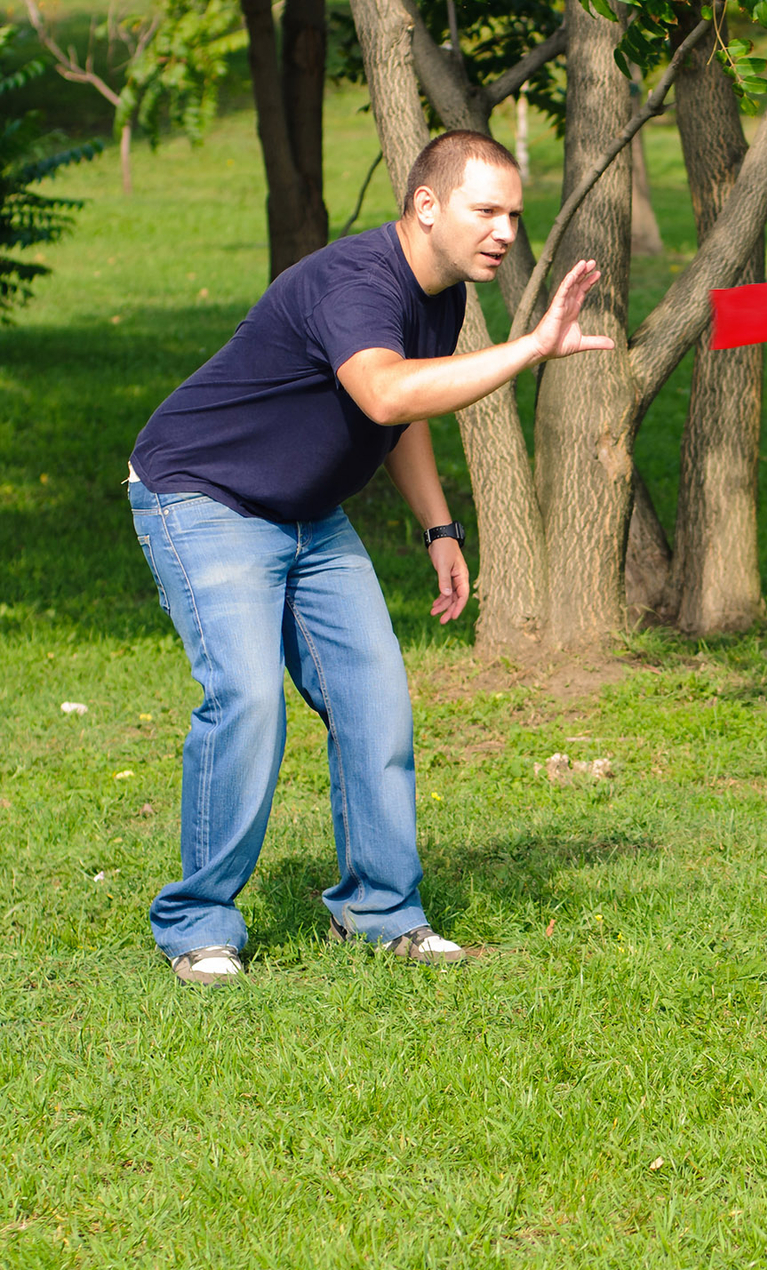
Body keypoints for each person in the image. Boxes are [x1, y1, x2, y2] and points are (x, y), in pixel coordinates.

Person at [127, 130, 612, 985]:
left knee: (375, 703)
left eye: (513, 215)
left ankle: (380, 909)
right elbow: (387, 388)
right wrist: (533, 349)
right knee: (245, 700)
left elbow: (397, 415)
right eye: (486, 210)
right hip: (205, 496)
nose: (504, 231)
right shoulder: (356, 281)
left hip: (309, 514)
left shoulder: (442, 293)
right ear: (427, 206)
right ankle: (197, 924)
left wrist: (439, 527)